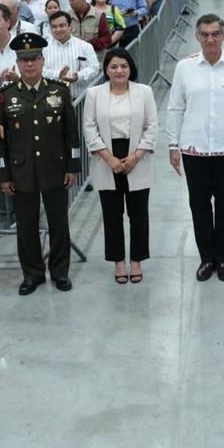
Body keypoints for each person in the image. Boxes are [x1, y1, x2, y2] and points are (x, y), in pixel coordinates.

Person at [167, 14, 224, 282]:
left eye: (215, 33)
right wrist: (173, 144)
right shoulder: (185, 67)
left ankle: (223, 257)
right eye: (205, 34)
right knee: (199, 205)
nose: (210, 39)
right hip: (195, 150)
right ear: (197, 37)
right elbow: (176, 106)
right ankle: (206, 257)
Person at [0, 33, 79, 294]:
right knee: (26, 228)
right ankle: (32, 274)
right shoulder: (5, 96)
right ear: (17, 63)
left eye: (34, 59)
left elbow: (71, 135)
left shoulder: (59, 91)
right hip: (21, 172)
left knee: (59, 224)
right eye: (23, 60)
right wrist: (3, 176)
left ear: (42, 61)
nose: (29, 65)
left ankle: (60, 272)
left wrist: (73, 168)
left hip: (55, 168)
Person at [82, 48, 158, 284]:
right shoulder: (94, 94)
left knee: (138, 215)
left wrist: (136, 156)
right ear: (106, 69)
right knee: (112, 215)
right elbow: (90, 128)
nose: (119, 71)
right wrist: (108, 157)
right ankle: (118, 262)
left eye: (123, 66)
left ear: (130, 68)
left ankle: (136, 261)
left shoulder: (144, 92)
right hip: (107, 159)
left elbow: (152, 126)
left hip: (137, 157)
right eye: (114, 66)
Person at [43, 11, 100, 96]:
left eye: (62, 25)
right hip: (52, 99)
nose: (58, 29)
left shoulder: (85, 46)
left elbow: (94, 68)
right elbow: (40, 71)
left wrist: (78, 76)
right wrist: (57, 75)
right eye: (54, 27)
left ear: (70, 27)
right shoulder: (44, 49)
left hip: (79, 98)